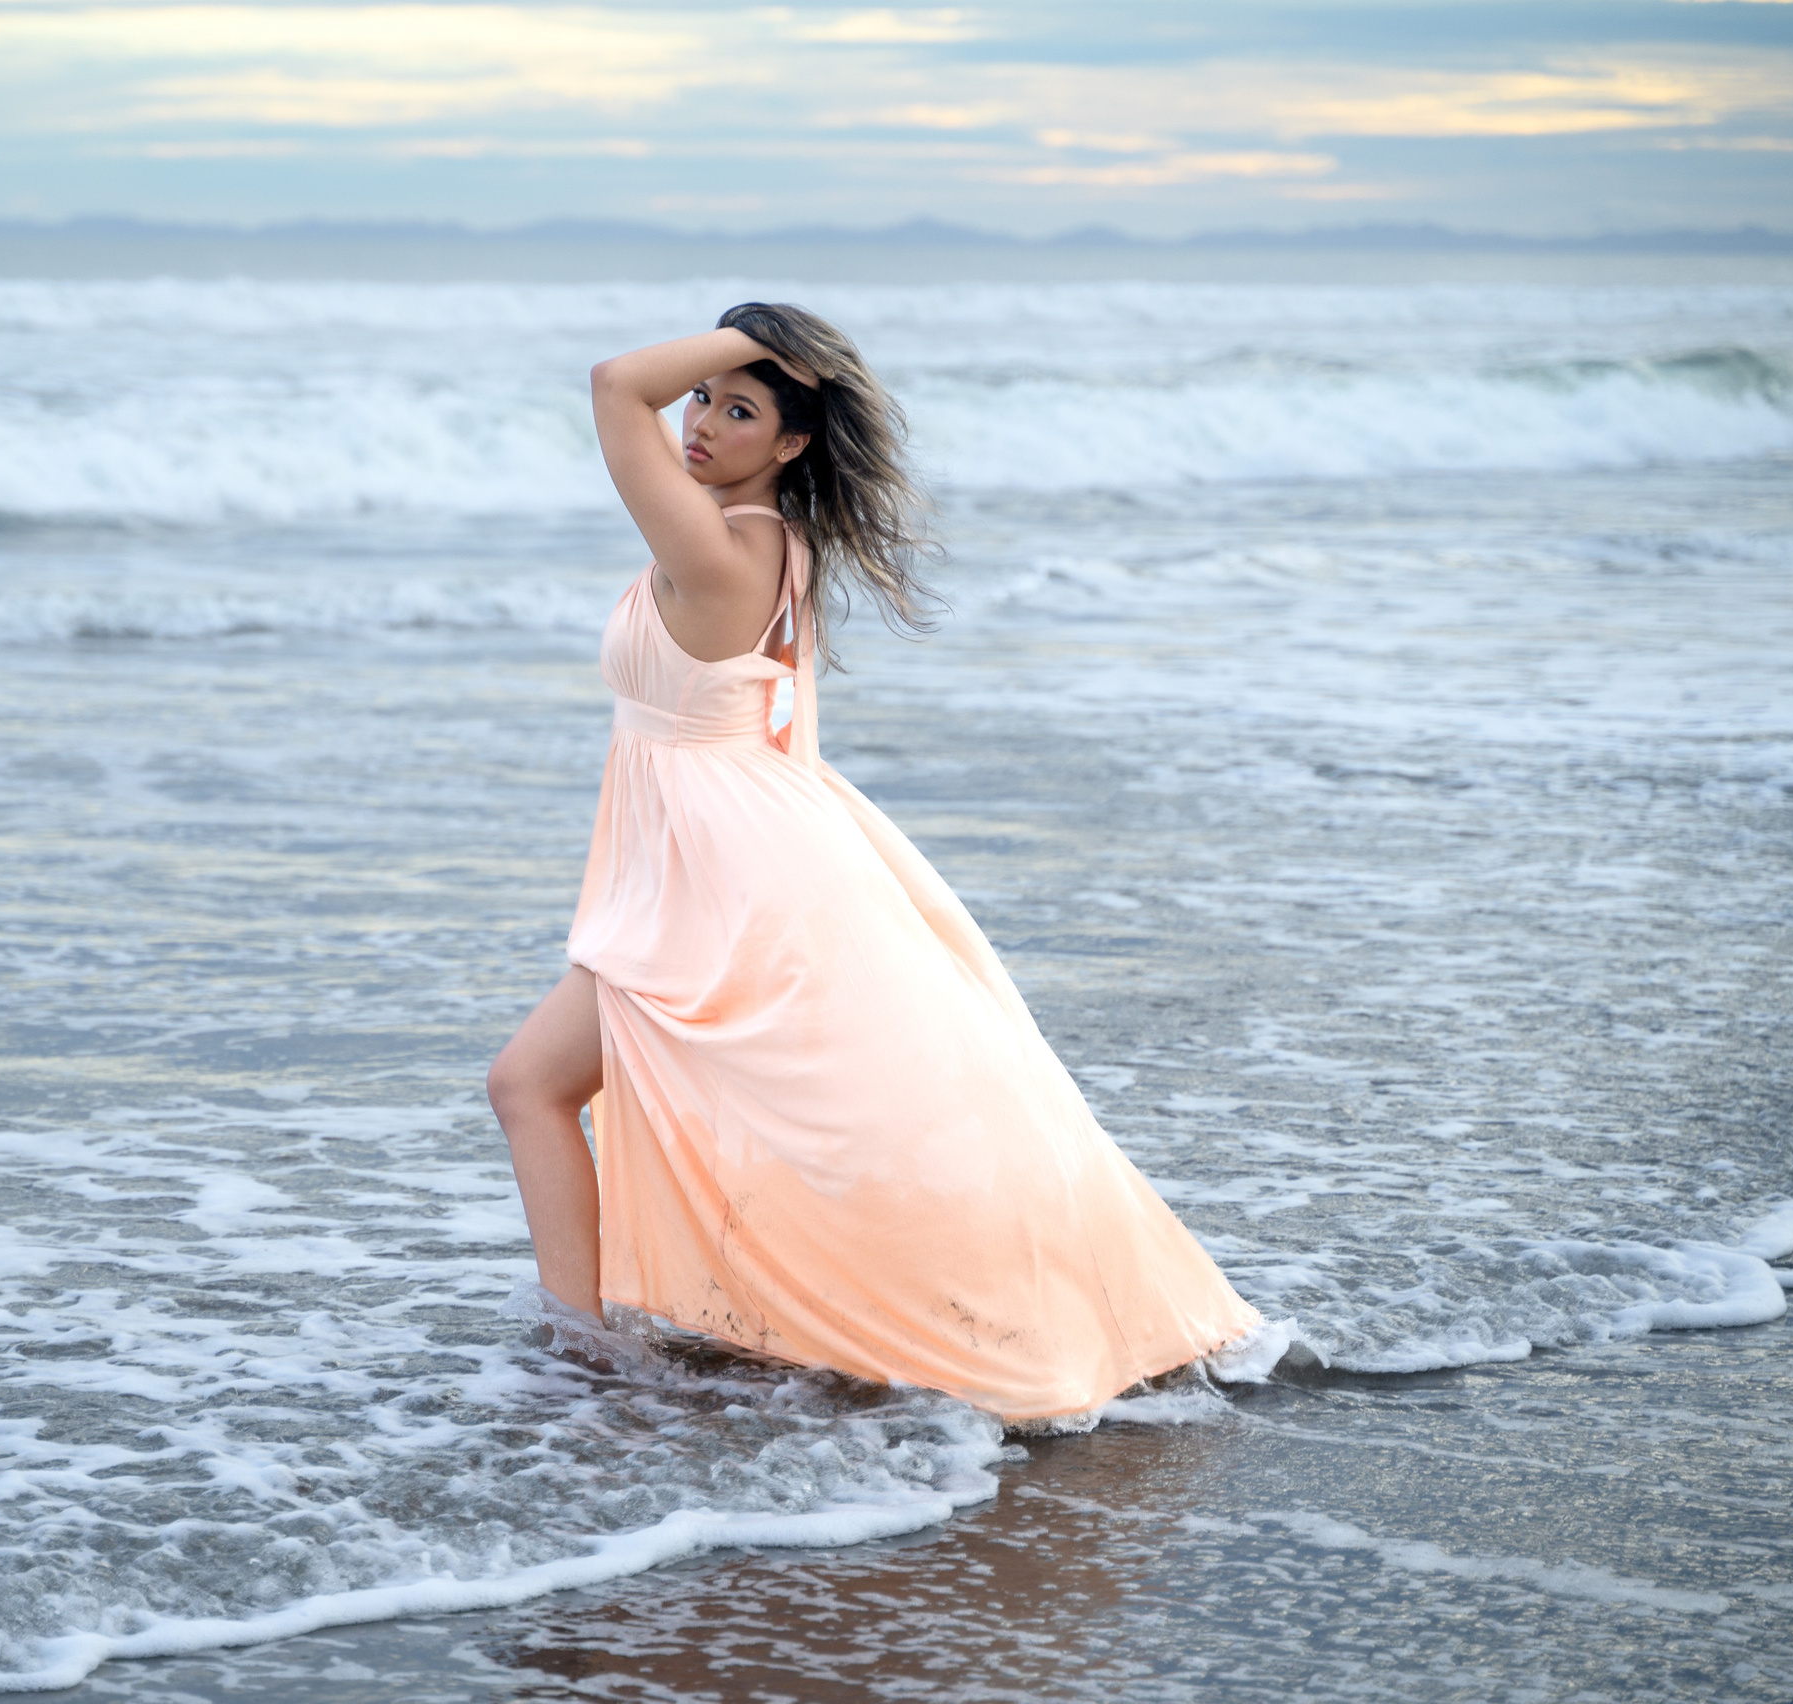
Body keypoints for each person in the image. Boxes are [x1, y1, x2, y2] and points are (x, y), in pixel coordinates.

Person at [486, 303, 1262, 1423]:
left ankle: (588, 1348)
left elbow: (615, 385)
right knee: (578, 1091)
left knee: (545, 1087)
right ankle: (619, 1334)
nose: (698, 422)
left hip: (721, 883)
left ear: (793, 442)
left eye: (739, 409)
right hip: (740, 857)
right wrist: (757, 352)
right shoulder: (772, 545)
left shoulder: (721, 550)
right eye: (702, 397)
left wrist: (756, 325)